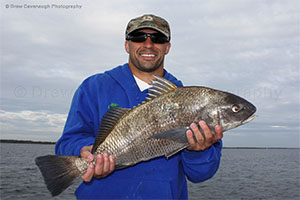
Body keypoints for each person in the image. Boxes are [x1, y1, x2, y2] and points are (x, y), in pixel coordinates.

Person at [55, 14, 223, 199]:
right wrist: (83, 150)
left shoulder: (192, 104)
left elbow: (201, 175)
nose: (148, 44)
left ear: (167, 47)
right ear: (127, 45)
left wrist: (199, 150)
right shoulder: (93, 87)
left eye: (158, 38)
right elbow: (67, 142)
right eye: (139, 37)